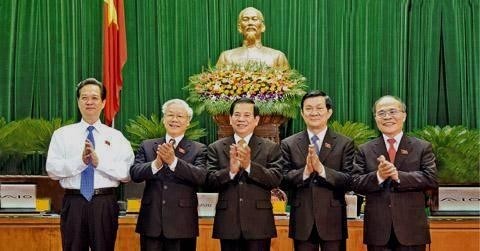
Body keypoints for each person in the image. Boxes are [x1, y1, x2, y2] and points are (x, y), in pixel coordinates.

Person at [46, 78, 134, 251]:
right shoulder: (62, 135)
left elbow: (127, 173)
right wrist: (81, 162)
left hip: (104, 203)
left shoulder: (116, 137)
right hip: (74, 202)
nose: (89, 102)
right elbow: (52, 169)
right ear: (78, 102)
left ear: (103, 103)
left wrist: (98, 162)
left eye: (94, 98)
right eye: (84, 97)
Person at [350, 95, 438, 251]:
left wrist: (398, 176)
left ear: (404, 115)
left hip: (411, 230)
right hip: (378, 232)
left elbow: (430, 179)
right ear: (375, 117)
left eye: (392, 111)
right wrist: (379, 176)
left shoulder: (422, 147)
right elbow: (355, 182)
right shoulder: (365, 149)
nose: (387, 117)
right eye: (381, 113)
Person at [281, 91, 354, 251]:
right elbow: (283, 179)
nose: (314, 113)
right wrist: (306, 171)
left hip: (333, 221)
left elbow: (350, 180)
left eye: (319, 108)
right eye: (308, 108)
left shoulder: (344, 143)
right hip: (302, 220)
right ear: (302, 113)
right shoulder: (289, 143)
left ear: (329, 112)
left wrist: (321, 169)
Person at [130, 99, 208, 251]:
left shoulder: (199, 149)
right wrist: (156, 164)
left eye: (180, 116)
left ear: (188, 122)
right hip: (151, 222)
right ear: (163, 119)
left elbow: (201, 177)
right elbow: (135, 173)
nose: (174, 119)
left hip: (182, 224)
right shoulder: (147, 145)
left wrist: (173, 162)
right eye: (170, 115)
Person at [206, 98, 283, 251]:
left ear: (256, 120)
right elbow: (208, 181)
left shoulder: (271, 147)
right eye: (237, 115)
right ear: (230, 118)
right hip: (228, 222)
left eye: (247, 115)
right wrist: (230, 171)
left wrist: (249, 166)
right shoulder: (216, 147)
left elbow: (276, 178)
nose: (241, 119)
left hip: (259, 223)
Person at [216, 7, 289, 68]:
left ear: (263, 27)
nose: (250, 23)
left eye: (254, 19)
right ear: (239, 28)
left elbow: (288, 84)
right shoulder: (226, 57)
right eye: (245, 19)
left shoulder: (277, 57)